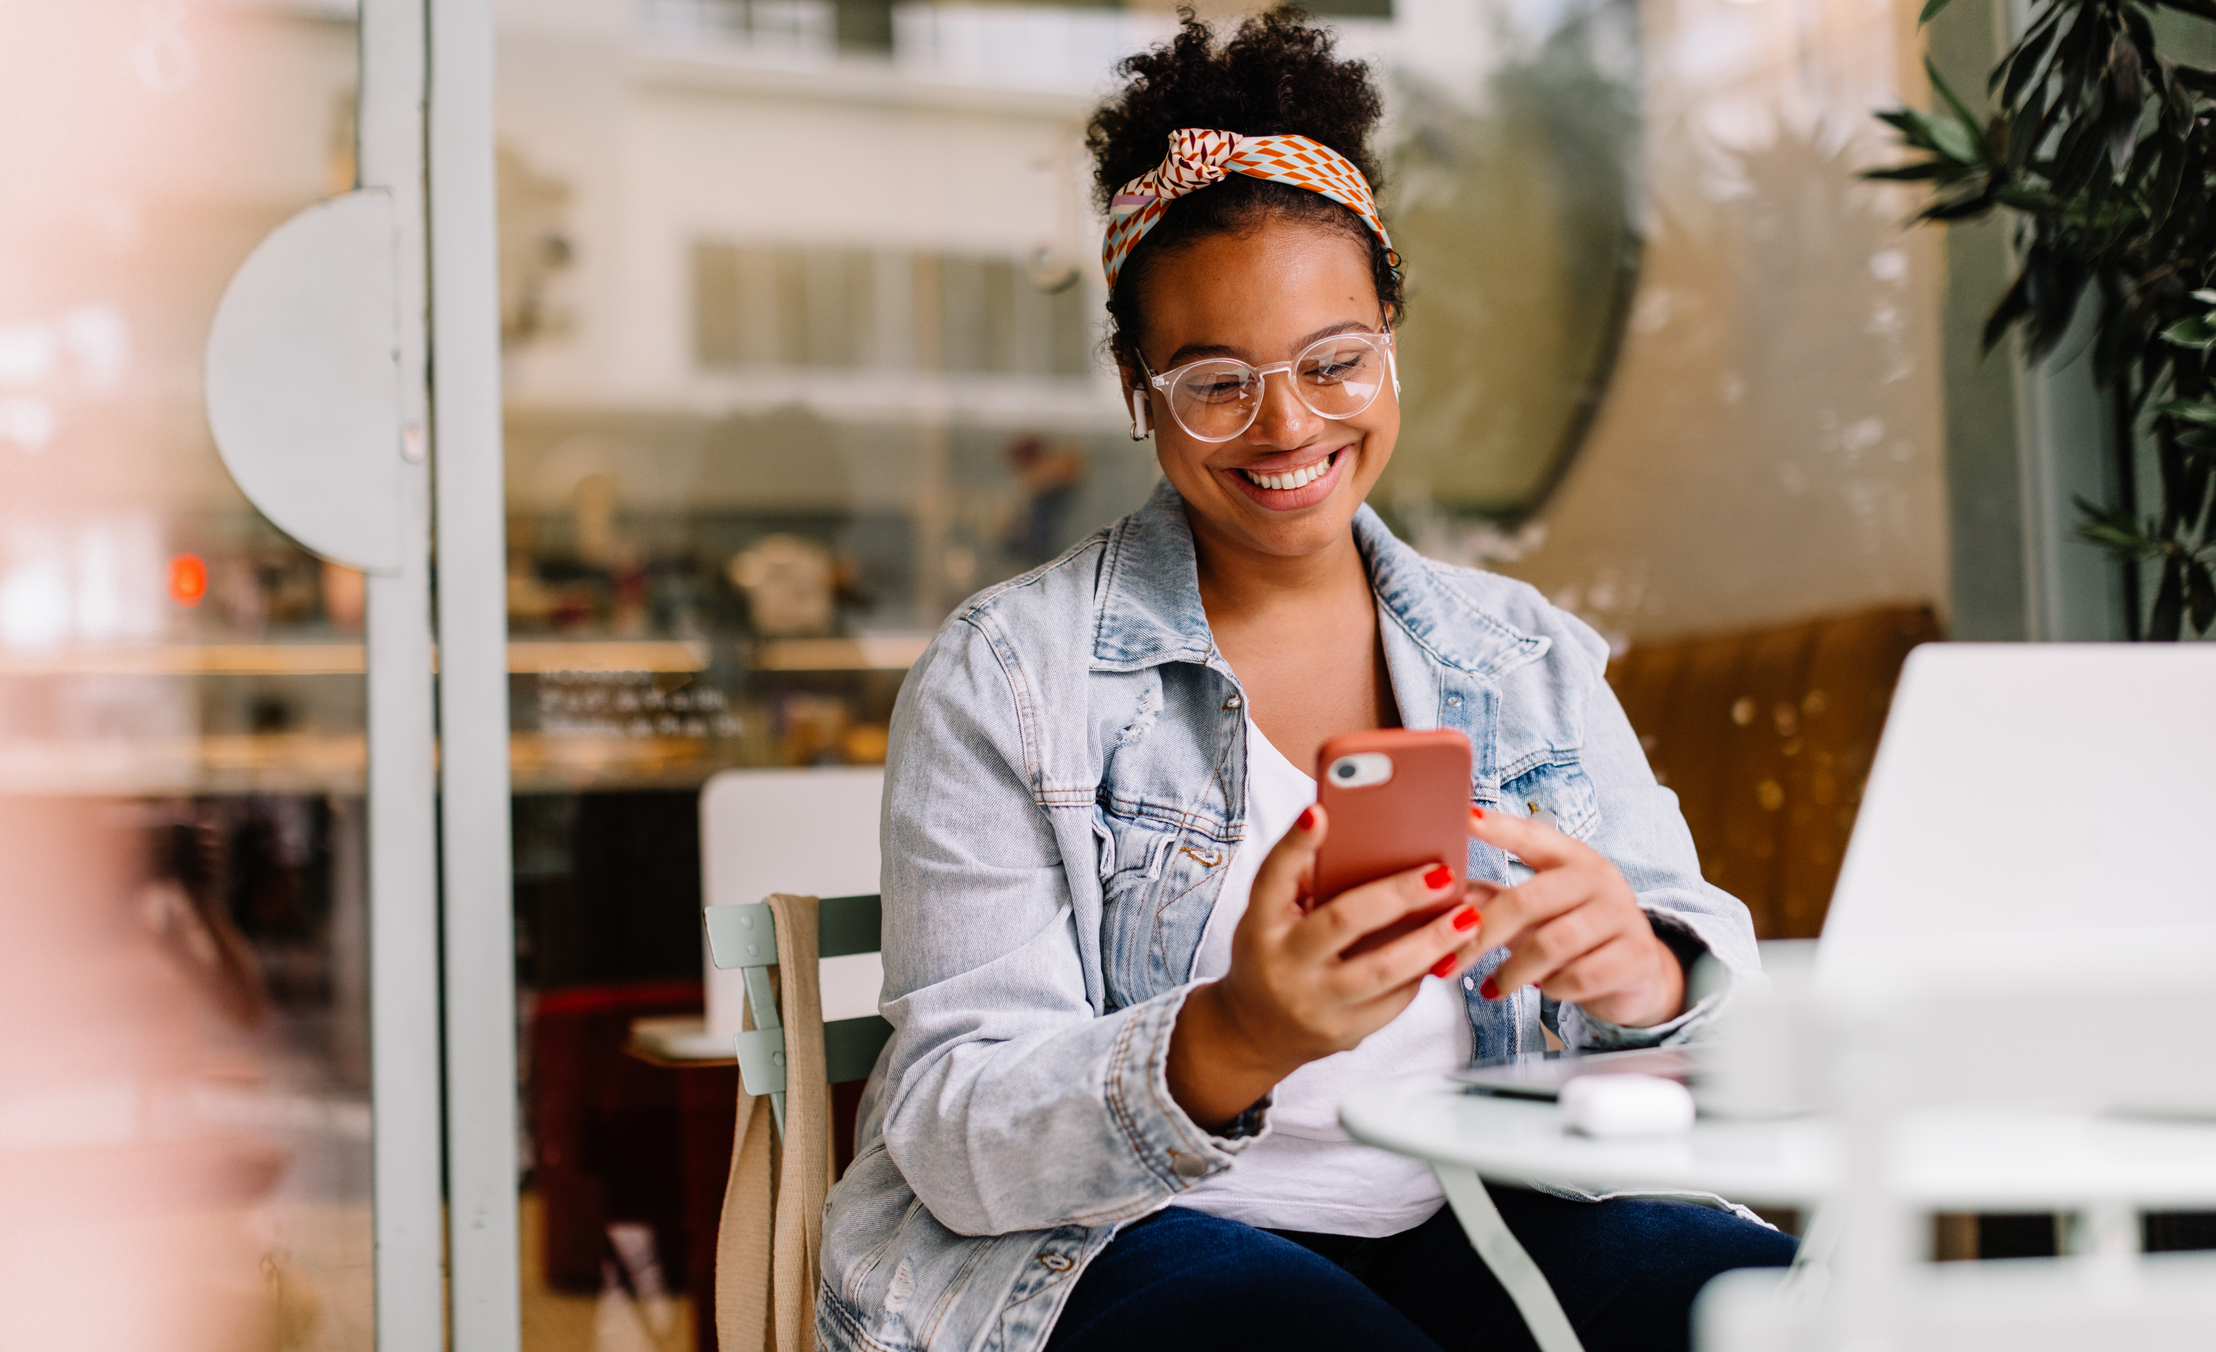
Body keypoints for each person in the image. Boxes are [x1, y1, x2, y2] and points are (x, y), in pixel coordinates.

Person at [817, 12, 1795, 1351]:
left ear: (1390, 336)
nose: (1289, 428)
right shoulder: (1005, 679)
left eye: (1335, 361)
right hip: (1117, 1243)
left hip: (1485, 1201)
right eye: (1217, 382)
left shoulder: (1526, 653)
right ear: (1135, 385)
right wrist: (1227, 1038)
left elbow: (1704, 977)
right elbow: (950, 1126)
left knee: (1778, 1315)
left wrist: (1649, 973)